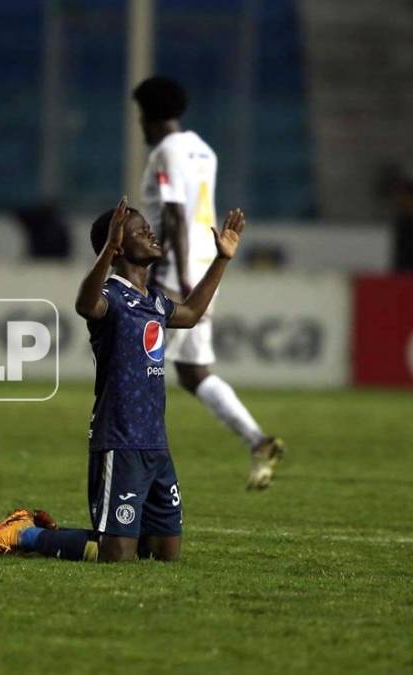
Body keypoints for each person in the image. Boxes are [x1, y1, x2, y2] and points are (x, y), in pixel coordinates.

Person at [0, 198, 245, 562]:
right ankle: (26, 533)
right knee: (116, 553)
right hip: (119, 439)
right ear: (117, 246)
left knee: (165, 553)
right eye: (137, 230)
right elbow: (85, 304)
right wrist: (107, 251)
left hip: (156, 443)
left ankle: (48, 533)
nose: (149, 231)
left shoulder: (155, 301)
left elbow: (191, 313)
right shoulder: (110, 298)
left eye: (148, 226)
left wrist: (222, 258)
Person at [132, 76, 284, 490]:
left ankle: (139, 456)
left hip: (174, 273)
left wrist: (180, 278)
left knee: (133, 360)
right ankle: (258, 440)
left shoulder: (165, 152)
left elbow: (176, 215)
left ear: (148, 116)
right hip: (208, 265)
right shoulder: (204, 150)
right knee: (193, 371)